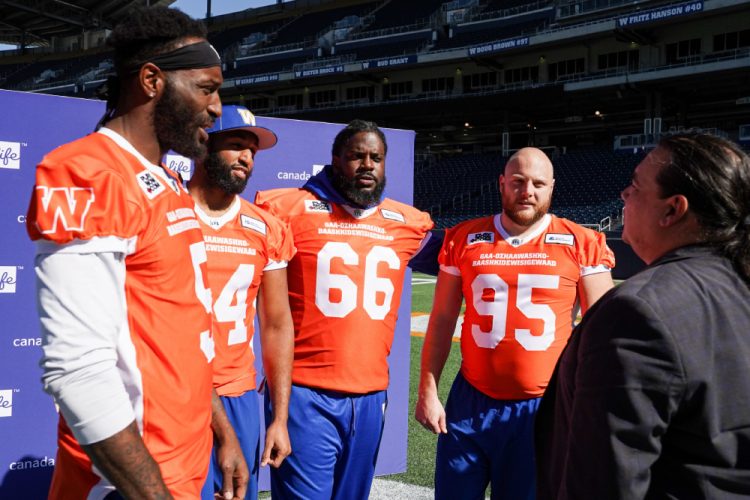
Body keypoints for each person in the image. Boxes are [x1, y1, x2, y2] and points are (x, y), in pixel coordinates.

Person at [26, 7, 247, 499]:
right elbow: (78, 369)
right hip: (125, 481)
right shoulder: (88, 171)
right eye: (207, 89)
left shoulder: (166, 180)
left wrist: (222, 431)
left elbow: (181, 335)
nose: (216, 108)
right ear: (152, 81)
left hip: (185, 460)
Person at [535, 132, 750, 499]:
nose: (625, 194)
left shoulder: (637, 312)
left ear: (673, 210)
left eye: (636, 185)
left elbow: (604, 485)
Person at [415, 147, 615, 499]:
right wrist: (428, 391)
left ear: (551, 188)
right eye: (518, 182)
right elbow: (444, 319)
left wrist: (590, 406)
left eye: (538, 183)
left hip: (542, 407)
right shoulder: (464, 238)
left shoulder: (581, 242)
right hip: (470, 401)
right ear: (502, 183)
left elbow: (604, 332)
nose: (528, 192)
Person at [254, 119, 435, 499]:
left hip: (371, 396)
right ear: (336, 161)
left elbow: (468, 257)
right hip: (306, 393)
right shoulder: (288, 210)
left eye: (376, 157)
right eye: (357, 156)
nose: (367, 164)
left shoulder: (407, 224)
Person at [187, 104, 294, 500]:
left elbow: (277, 323)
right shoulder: (167, 213)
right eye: (235, 145)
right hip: (174, 391)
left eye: (252, 150)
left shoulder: (266, 228)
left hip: (238, 394)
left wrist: (279, 417)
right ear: (202, 146)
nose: (247, 157)